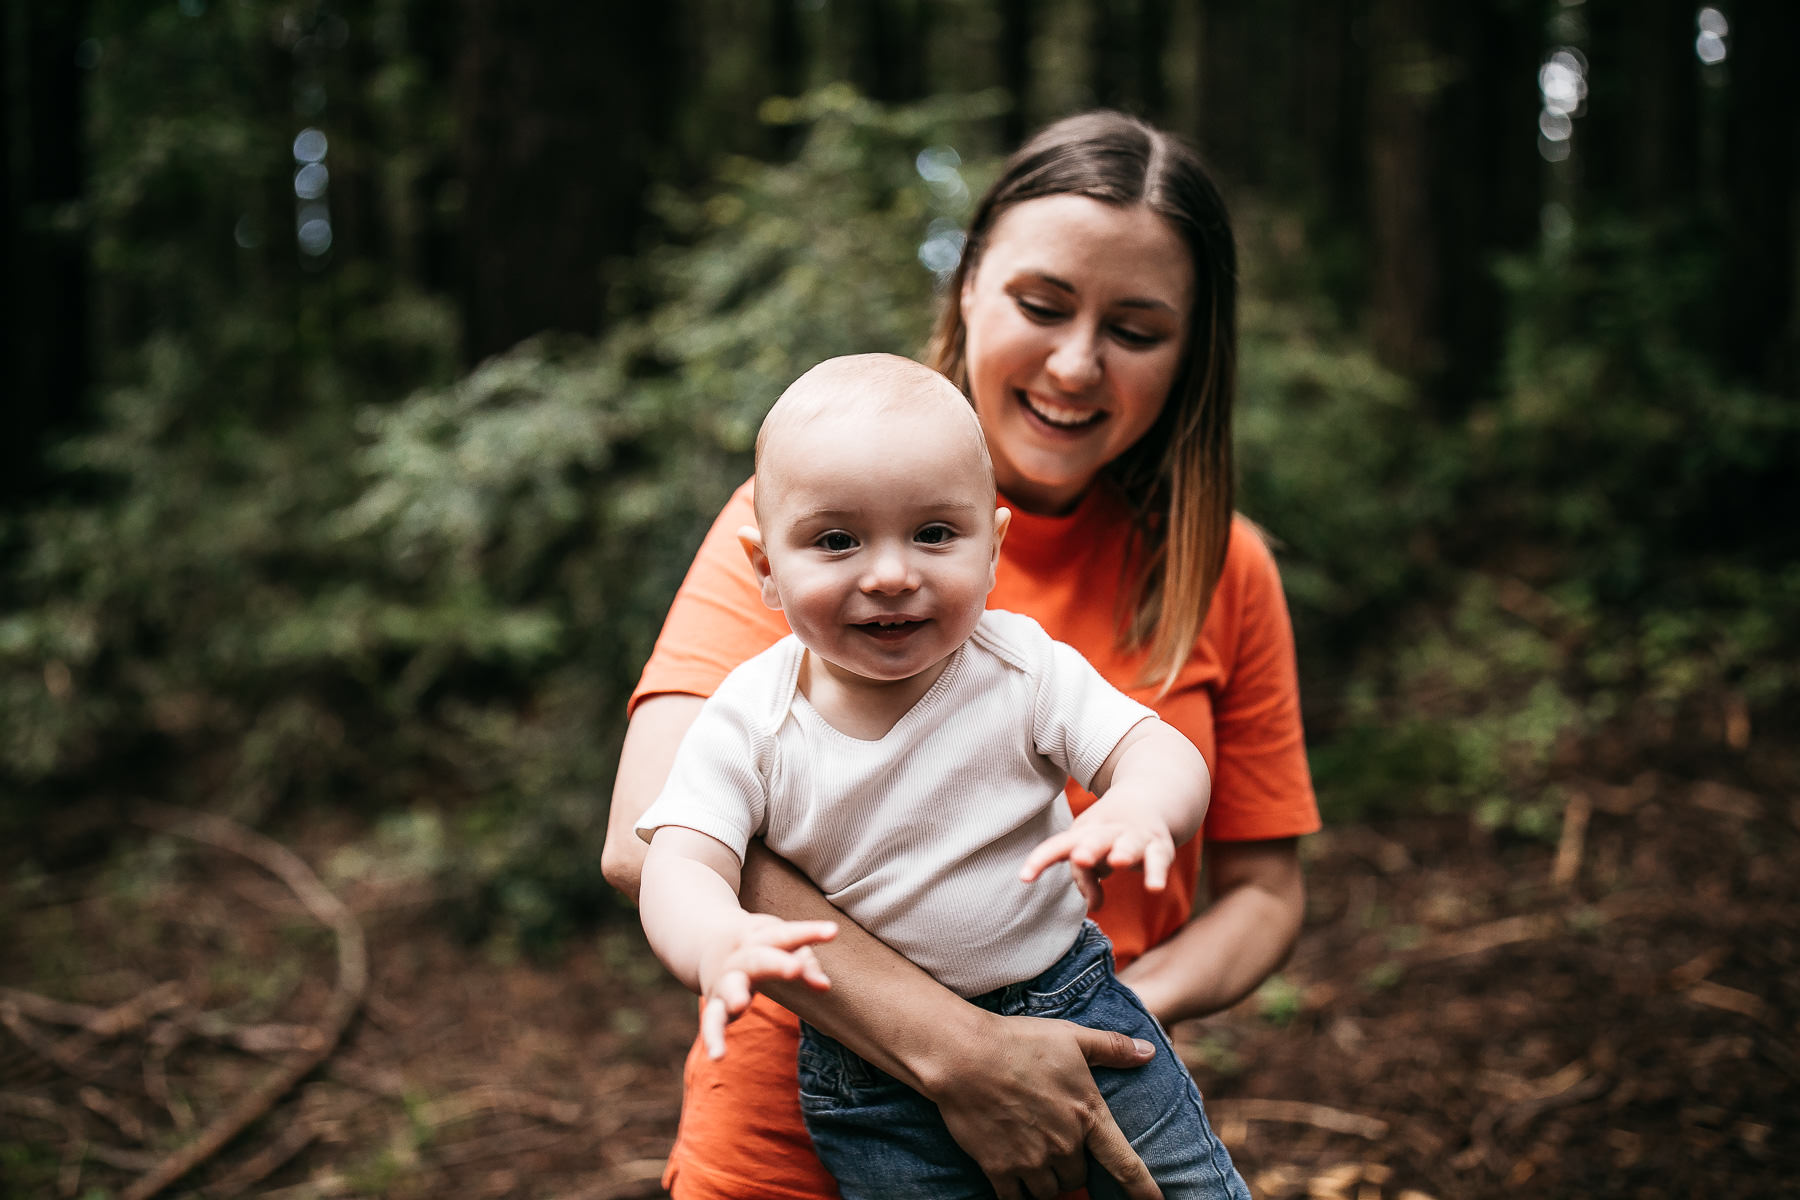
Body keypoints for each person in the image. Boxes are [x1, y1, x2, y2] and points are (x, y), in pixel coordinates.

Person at [602, 109, 1320, 1200]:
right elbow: (647, 837)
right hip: (792, 1152)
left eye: (1136, 328)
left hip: (1082, 1109)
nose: (1076, 364)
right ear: (967, 288)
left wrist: (1091, 1035)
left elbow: (1263, 890)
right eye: (1041, 306)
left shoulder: (1216, 572)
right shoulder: (804, 534)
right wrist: (963, 1051)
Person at [633, 353, 1247, 1199]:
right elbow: (679, 858)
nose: (891, 573)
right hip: (871, 1082)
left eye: (933, 534)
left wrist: (1140, 803)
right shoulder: (749, 721)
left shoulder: (1022, 669)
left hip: (1071, 1001)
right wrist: (712, 936)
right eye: (837, 541)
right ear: (767, 568)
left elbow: (1159, 749)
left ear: (992, 549)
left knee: (1178, 1186)